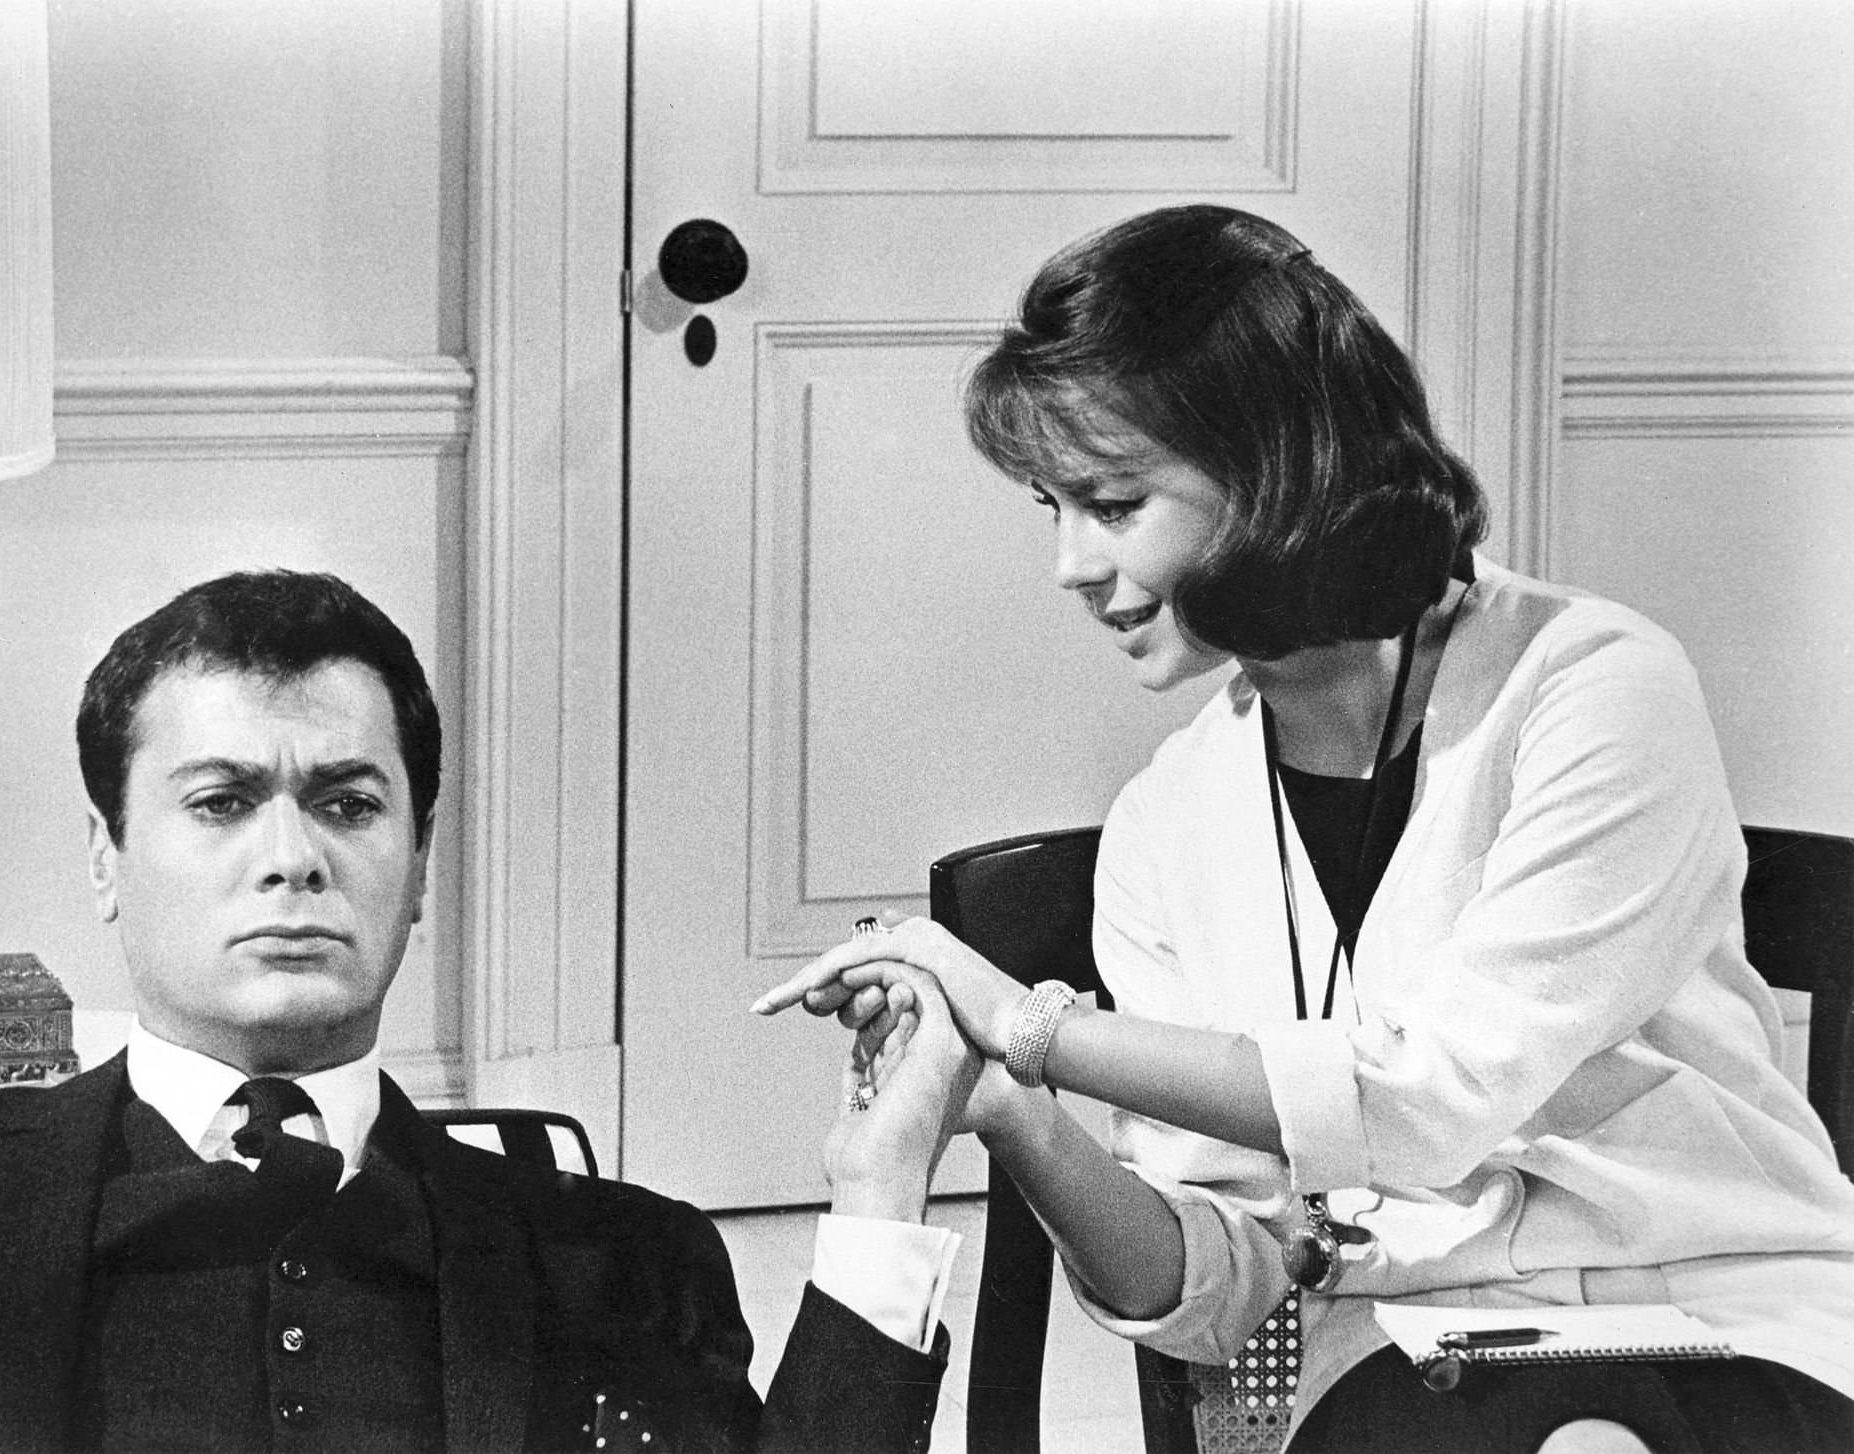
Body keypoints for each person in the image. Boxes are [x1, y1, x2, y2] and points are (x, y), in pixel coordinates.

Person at [759, 206, 1854, 1451]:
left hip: (1726, 1316)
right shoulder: (1166, 824)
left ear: (1276, 470)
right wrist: (1019, 1107)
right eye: (1048, 505)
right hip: (1404, 1361)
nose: (1067, 563)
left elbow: (1431, 1097)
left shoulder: (1593, 684)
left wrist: (1032, 1023)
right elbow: (1225, 1293)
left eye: (1111, 503)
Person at [0, 569, 972, 1453]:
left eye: (347, 804)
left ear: (422, 861)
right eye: (222, 802)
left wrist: (878, 1193)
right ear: (106, 856)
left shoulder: (631, 1259)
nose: (292, 858)